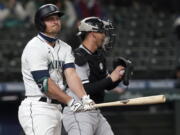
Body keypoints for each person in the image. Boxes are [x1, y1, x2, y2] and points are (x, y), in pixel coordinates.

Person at [18, 4, 94, 135]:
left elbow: (71, 75)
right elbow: (45, 84)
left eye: (57, 18)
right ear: (40, 23)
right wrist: (70, 101)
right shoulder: (34, 47)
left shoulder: (65, 48)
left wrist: (84, 97)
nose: (56, 21)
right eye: (50, 19)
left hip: (56, 108)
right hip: (38, 107)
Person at [62, 17, 125, 135]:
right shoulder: (78, 56)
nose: (105, 36)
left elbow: (107, 85)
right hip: (79, 112)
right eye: (102, 32)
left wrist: (119, 76)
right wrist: (111, 78)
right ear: (92, 34)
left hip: (95, 111)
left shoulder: (98, 56)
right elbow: (85, 89)